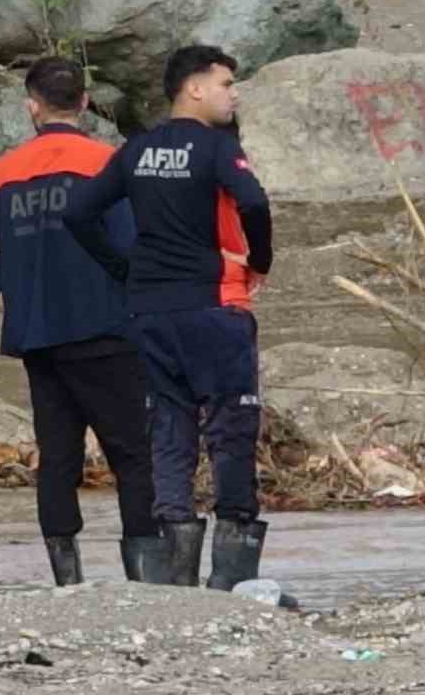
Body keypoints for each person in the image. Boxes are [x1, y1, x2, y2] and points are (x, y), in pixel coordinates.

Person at [63, 44, 273, 591]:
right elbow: (252, 201)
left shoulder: (137, 149)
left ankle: (174, 578)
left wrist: (121, 268)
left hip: (151, 311)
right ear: (194, 87)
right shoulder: (215, 147)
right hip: (214, 305)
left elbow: (79, 212)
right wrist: (261, 260)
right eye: (227, 83)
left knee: (170, 432)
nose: (234, 94)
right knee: (232, 427)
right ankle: (231, 576)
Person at [0, 57, 166, 586]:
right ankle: (145, 581)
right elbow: (140, 243)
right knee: (134, 456)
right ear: (85, 104)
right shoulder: (108, 161)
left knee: (59, 457)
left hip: (40, 339)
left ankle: (66, 583)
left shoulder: (3, 172)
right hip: (108, 329)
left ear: (32, 106)